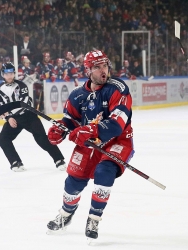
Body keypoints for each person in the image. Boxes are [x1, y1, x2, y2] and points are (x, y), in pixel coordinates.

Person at [47, 50, 134, 240]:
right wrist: (61, 128)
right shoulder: (77, 95)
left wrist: (92, 130)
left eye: (105, 66)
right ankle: (66, 214)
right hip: (90, 142)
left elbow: (117, 124)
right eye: (97, 67)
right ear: (87, 70)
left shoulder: (118, 88)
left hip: (117, 140)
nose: (103, 71)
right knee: (73, 182)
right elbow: (71, 120)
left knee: (105, 171)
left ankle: (94, 217)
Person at [0, 62, 66, 172]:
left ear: (14, 74)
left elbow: (20, 104)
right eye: (6, 73)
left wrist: (8, 114)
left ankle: (59, 160)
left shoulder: (21, 85)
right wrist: (8, 118)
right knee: (3, 139)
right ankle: (15, 162)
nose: (9, 75)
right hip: (13, 119)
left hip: (29, 116)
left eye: (11, 73)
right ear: (2, 74)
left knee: (42, 139)